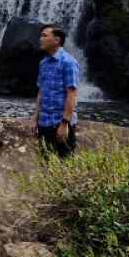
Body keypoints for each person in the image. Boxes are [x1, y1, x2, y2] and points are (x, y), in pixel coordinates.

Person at [29, 24, 81, 157]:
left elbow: (72, 95)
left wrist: (65, 124)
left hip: (60, 123)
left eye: (44, 36)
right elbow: (41, 92)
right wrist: (35, 120)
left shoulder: (68, 62)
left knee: (64, 165)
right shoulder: (43, 63)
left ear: (56, 40)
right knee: (45, 164)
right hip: (44, 123)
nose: (40, 39)